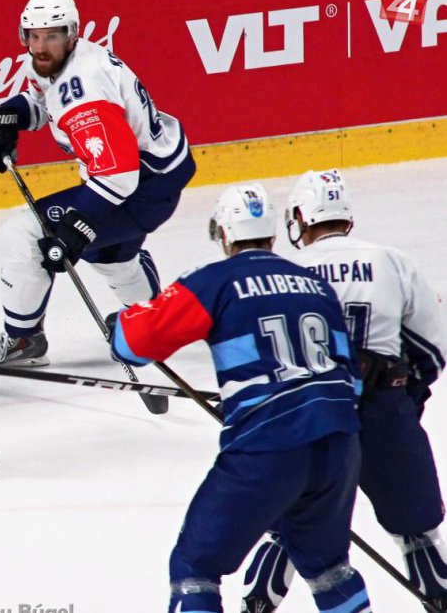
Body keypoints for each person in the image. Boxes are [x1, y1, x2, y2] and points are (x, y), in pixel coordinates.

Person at [110, 184, 371, 613]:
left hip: (269, 447)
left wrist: (118, 327)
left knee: (195, 567)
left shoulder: (216, 280)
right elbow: (351, 381)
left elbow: (137, 343)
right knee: (330, 571)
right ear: (272, 233)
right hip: (339, 445)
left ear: (225, 234)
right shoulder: (316, 286)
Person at [240, 170, 447, 612]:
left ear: (300, 217)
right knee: (417, 530)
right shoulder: (392, 261)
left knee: (286, 528)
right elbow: (433, 349)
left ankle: (253, 606)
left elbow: (258, 359)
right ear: (347, 217)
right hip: (381, 413)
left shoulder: (279, 273)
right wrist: (401, 400)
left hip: (304, 419)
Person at [0, 0, 195, 367]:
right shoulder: (60, 61)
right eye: (34, 36)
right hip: (155, 176)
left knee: (23, 235)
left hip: (139, 187)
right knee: (112, 254)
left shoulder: (86, 91)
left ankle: (23, 340)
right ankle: (153, 324)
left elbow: (118, 173)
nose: (41, 46)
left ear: (71, 34)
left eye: (52, 36)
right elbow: (45, 102)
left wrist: (80, 224)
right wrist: (6, 114)